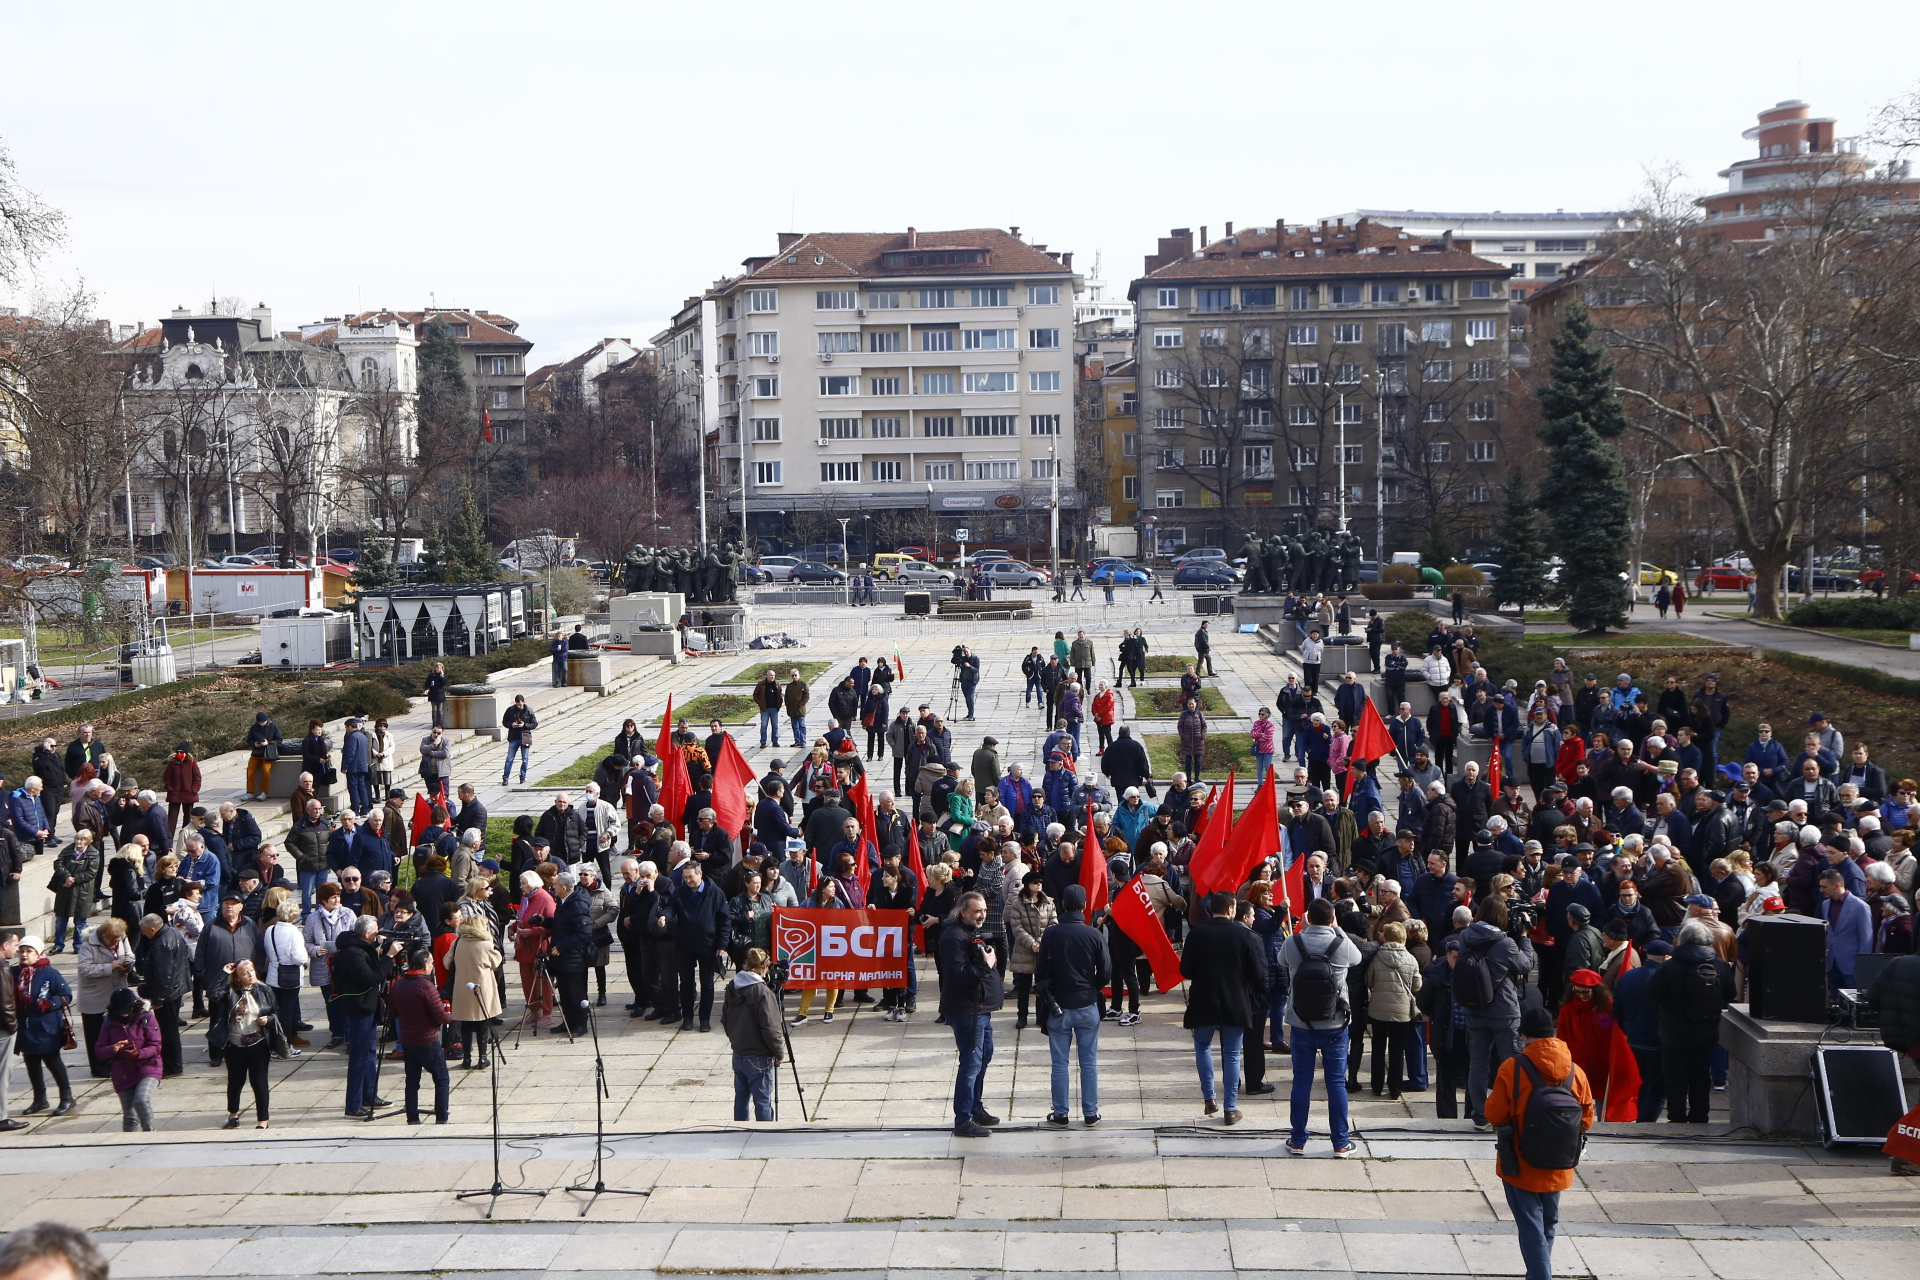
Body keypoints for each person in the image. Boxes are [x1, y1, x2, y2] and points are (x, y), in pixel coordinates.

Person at [1484, 1004, 1596, 1280]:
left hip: (1520, 1162)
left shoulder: (1512, 1068)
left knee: (1530, 1224)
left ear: (1524, 1035)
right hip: (1559, 1161)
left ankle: (1539, 1276)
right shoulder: (1575, 1071)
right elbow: (1587, 1118)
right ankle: (1538, 1273)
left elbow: (1494, 1113)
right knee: (1548, 1222)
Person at [1180, 890, 1266, 1127]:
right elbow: (1257, 973)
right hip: (1235, 1000)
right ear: (1231, 909)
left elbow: (1186, 970)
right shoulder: (1244, 936)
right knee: (1231, 1054)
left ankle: (1209, 1097)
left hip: (1204, 998)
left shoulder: (1197, 934)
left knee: (1202, 1046)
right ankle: (1230, 1108)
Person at [1458, 896, 1537, 1130]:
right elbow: (1526, 965)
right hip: (1503, 1011)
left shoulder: (1465, 936)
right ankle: (1511, 1112)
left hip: (1475, 1008)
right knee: (1511, 1064)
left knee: (1478, 1065)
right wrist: (1523, 937)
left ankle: (1480, 1115)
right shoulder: (1505, 943)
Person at [1645, 919, 1735, 1124]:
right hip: (1706, 1031)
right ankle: (1699, 1116)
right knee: (1701, 1076)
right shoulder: (1719, 964)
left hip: (1673, 1032)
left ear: (1682, 941)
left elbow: (1651, 992)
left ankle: (1676, 1117)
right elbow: (1731, 993)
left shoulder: (1670, 966)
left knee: (1675, 1077)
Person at [1036, 883, 1108, 1126]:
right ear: (1085, 906)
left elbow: (1041, 971)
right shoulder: (1094, 934)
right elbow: (1106, 971)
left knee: (1059, 1063)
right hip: (1087, 1004)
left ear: (1063, 905)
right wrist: (1092, 987)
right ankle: (1090, 1112)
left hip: (1058, 1006)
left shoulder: (1051, 934)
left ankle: (1061, 1113)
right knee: (1088, 1062)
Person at [940, 891, 1004, 1137]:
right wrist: (984, 965)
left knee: (983, 1058)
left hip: (981, 1010)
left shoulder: (970, 933)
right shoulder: (954, 937)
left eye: (984, 911)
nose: (982, 916)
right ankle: (963, 1119)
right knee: (971, 1063)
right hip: (967, 1011)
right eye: (977, 911)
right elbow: (956, 977)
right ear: (963, 912)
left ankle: (976, 1107)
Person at [332, 915, 396, 1118]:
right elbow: (373, 977)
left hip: (368, 1006)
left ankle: (369, 1095)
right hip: (358, 1008)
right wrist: (389, 956)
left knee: (369, 1053)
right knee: (359, 1057)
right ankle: (353, 1104)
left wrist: (380, 949)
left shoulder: (362, 947)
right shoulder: (352, 953)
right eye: (376, 929)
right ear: (367, 933)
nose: (379, 932)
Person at [210, 958, 280, 1128]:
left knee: (259, 1082)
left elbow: (276, 1013)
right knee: (235, 1081)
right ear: (237, 978)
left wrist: (269, 1019)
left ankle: (263, 1120)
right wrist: (223, 973)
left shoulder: (264, 989)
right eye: (245, 973)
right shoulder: (230, 992)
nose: (250, 975)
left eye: (252, 971)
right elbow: (212, 994)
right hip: (235, 1044)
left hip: (258, 1043)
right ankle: (233, 1114)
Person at [12, 935, 76, 1117]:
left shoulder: (49, 973)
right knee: (31, 1062)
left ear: (38, 953)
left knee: (52, 1061)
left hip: (46, 1027)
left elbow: (66, 995)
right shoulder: (14, 972)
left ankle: (67, 1096)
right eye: (22, 951)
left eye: (29, 951)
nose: (24, 954)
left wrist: (50, 1004)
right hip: (25, 1027)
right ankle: (40, 1098)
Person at [387, 946, 452, 1124]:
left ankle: (412, 1118)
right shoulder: (426, 986)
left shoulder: (399, 984)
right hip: (427, 1039)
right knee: (441, 1078)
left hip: (408, 1040)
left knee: (412, 1081)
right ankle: (441, 1117)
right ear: (425, 965)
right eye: (431, 963)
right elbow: (440, 1016)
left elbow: (392, 1012)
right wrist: (451, 1016)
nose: (432, 966)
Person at [722, 946, 785, 1122]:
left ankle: (739, 1132)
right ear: (764, 968)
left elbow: (725, 1019)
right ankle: (764, 1137)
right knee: (763, 1101)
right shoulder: (762, 992)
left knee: (741, 1099)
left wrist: (735, 1038)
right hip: (759, 1056)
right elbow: (771, 1027)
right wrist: (779, 1052)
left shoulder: (733, 985)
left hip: (739, 1053)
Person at [1366, 921, 1423, 1099]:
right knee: (1397, 1051)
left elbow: (1369, 980)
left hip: (1378, 1009)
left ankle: (1376, 1085)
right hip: (1402, 1011)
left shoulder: (1377, 957)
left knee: (1378, 1047)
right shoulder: (1410, 959)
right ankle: (1395, 1088)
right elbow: (1417, 985)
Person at [673, 861, 731, 1032]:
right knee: (686, 983)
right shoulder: (679, 892)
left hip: (708, 945)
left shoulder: (716, 893)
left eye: (690, 877)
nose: (688, 880)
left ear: (700, 874)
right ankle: (688, 1018)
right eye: (685, 877)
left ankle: (704, 1019)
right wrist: (664, 916)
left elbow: (724, 920)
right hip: (685, 945)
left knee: (707, 984)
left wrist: (722, 944)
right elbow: (670, 907)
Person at [502, 695, 538, 786]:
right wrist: (511, 725)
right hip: (514, 737)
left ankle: (523, 777)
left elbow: (534, 724)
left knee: (525, 759)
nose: (519, 706)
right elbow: (504, 722)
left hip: (524, 737)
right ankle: (505, 778)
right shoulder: (510, 710)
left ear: (523, 702)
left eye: (520, 704)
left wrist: (524, 725)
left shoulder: (529, 711)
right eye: (517, 704)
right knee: (509, 759)